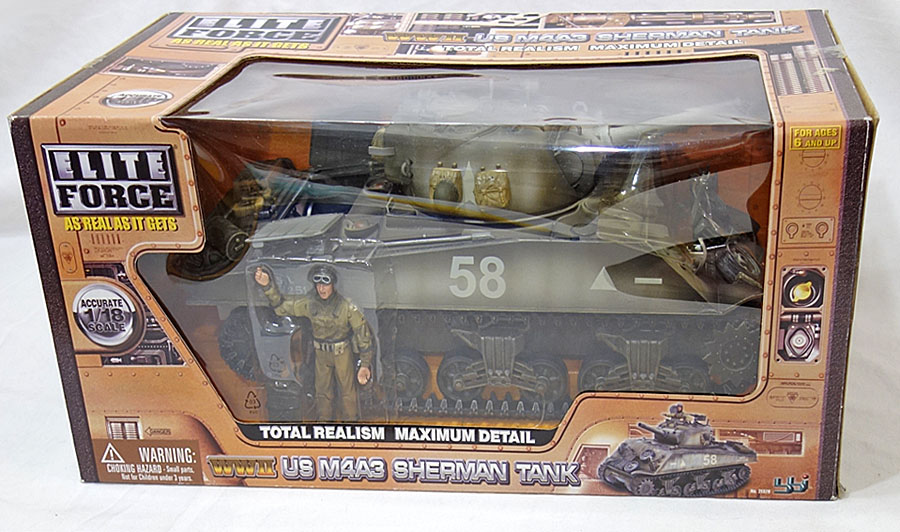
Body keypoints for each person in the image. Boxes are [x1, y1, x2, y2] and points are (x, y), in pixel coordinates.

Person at [254, 264, 373, 421]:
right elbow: (282, 308)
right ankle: (324, 423)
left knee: (347, 391)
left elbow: (362, 334)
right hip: (321, 354)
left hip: (342, 353)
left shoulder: (347, 307)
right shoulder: (310, 304)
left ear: (333, 284)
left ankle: (351, 423)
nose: (321, 288)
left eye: (325, 283)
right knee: (322, 391)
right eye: (318, 283)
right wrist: (268, 286)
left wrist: (365, 364)